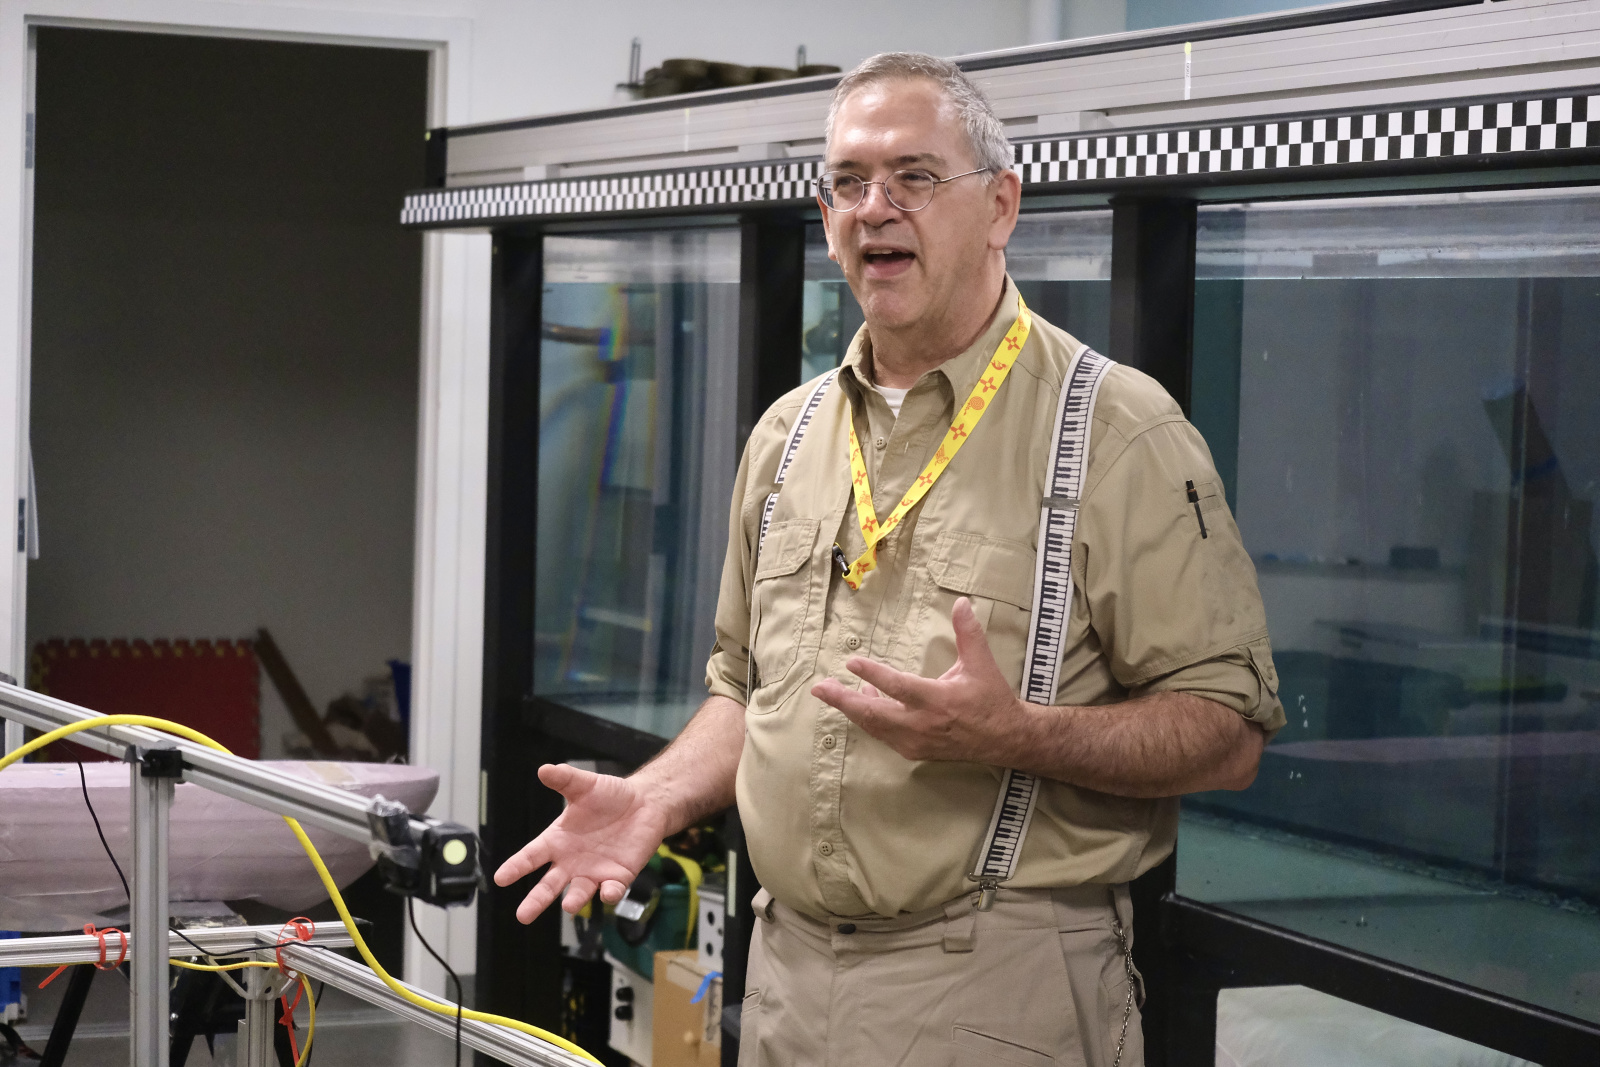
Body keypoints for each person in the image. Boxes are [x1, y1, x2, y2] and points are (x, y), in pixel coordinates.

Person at [496, 51, 1284, 1067]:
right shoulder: (788, 435)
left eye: (914, 176)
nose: (875, 207)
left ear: (999, 205)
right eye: (848, 180)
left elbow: (1226, 732)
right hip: (782, 977)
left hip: (995, 987)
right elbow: (746, 690)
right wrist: (654, 794)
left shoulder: (1114, 430)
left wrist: (1017, 732)